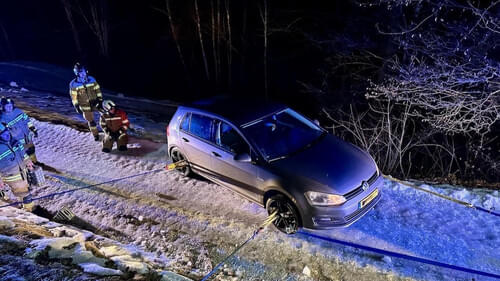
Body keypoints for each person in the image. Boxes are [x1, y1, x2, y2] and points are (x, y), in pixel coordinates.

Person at [0, 123, 35, 211]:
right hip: (11, 178)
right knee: (24, 194)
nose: (6, 135)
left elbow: (23, 153)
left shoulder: (15, 141)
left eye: (7, 132)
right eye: (3, 134)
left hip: (23, 173)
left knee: (25, 192)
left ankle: (27, 209)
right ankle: (28, 211)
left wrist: (28, 161)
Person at [69, 63, 103, 141]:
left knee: (105, 115)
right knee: (91, 121)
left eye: (84, 71)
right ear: (77, 73)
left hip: (95, 102)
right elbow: (74, 97)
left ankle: (109, 132)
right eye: (80, 72)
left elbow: (98, 90)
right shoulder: (73, 84)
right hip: (84, 105)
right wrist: (76, 106)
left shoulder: (92, 79)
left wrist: (100, 100)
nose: (83, 73)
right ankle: (96, 135)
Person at [0, 97, 39, 163]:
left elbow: (27, 120)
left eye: (10, 105)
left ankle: (35, 163)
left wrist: (33, 129)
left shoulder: (18, 111)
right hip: (18, 142)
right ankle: (29, 169)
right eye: (7, 106)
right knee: (24, 157)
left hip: (28, 137)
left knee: (32, 151)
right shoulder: (2, 119)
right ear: (3, 107)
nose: (9, 108)